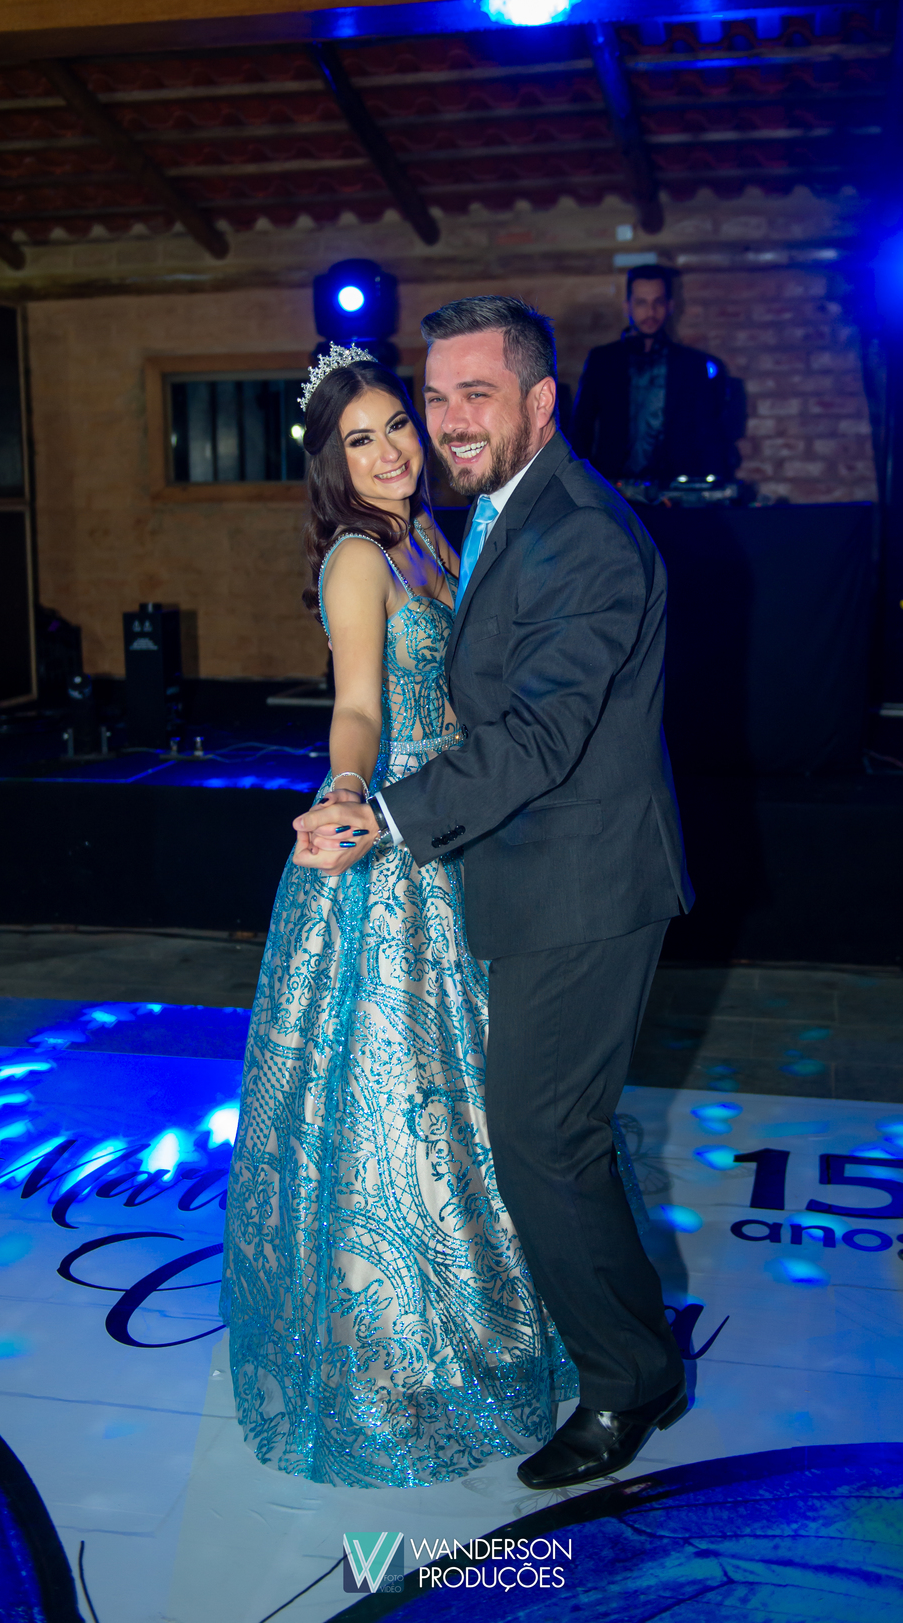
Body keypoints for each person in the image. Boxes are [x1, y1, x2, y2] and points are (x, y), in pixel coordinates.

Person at [297, 296, 693, 1492]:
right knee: (540, 1133)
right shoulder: (493, 512)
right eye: (437, 396)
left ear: (540, 399)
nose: (447, 421)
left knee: (542, 1137)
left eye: (477, 393)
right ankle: (615, 1351)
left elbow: (543, 732)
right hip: (519, 863)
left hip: (582, 877)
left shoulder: (580, 532)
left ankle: (629, 1381)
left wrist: (387, 815)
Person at [219, 347, 573, 1488]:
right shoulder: (357, 557)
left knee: (472, 1103)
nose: (388, 452)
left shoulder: (435, 538)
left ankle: (489, 1324)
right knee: (396, 1111)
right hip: (389, 847)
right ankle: (392, 1364)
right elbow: (361, 706)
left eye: (397, 427)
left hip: (456, 834)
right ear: (332, 462)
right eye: (359, 439)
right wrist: (343, 790)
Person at [570, 263, 729, 488]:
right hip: (613, 489)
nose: (650, 312)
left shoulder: (692, 365)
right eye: (641, 303)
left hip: (675, 490)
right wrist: (580, 486)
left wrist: (714, 489)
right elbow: (581, 428)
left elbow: (708, 433)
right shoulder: (603, 360)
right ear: (627, 306)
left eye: (658, 302)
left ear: (670, 306)